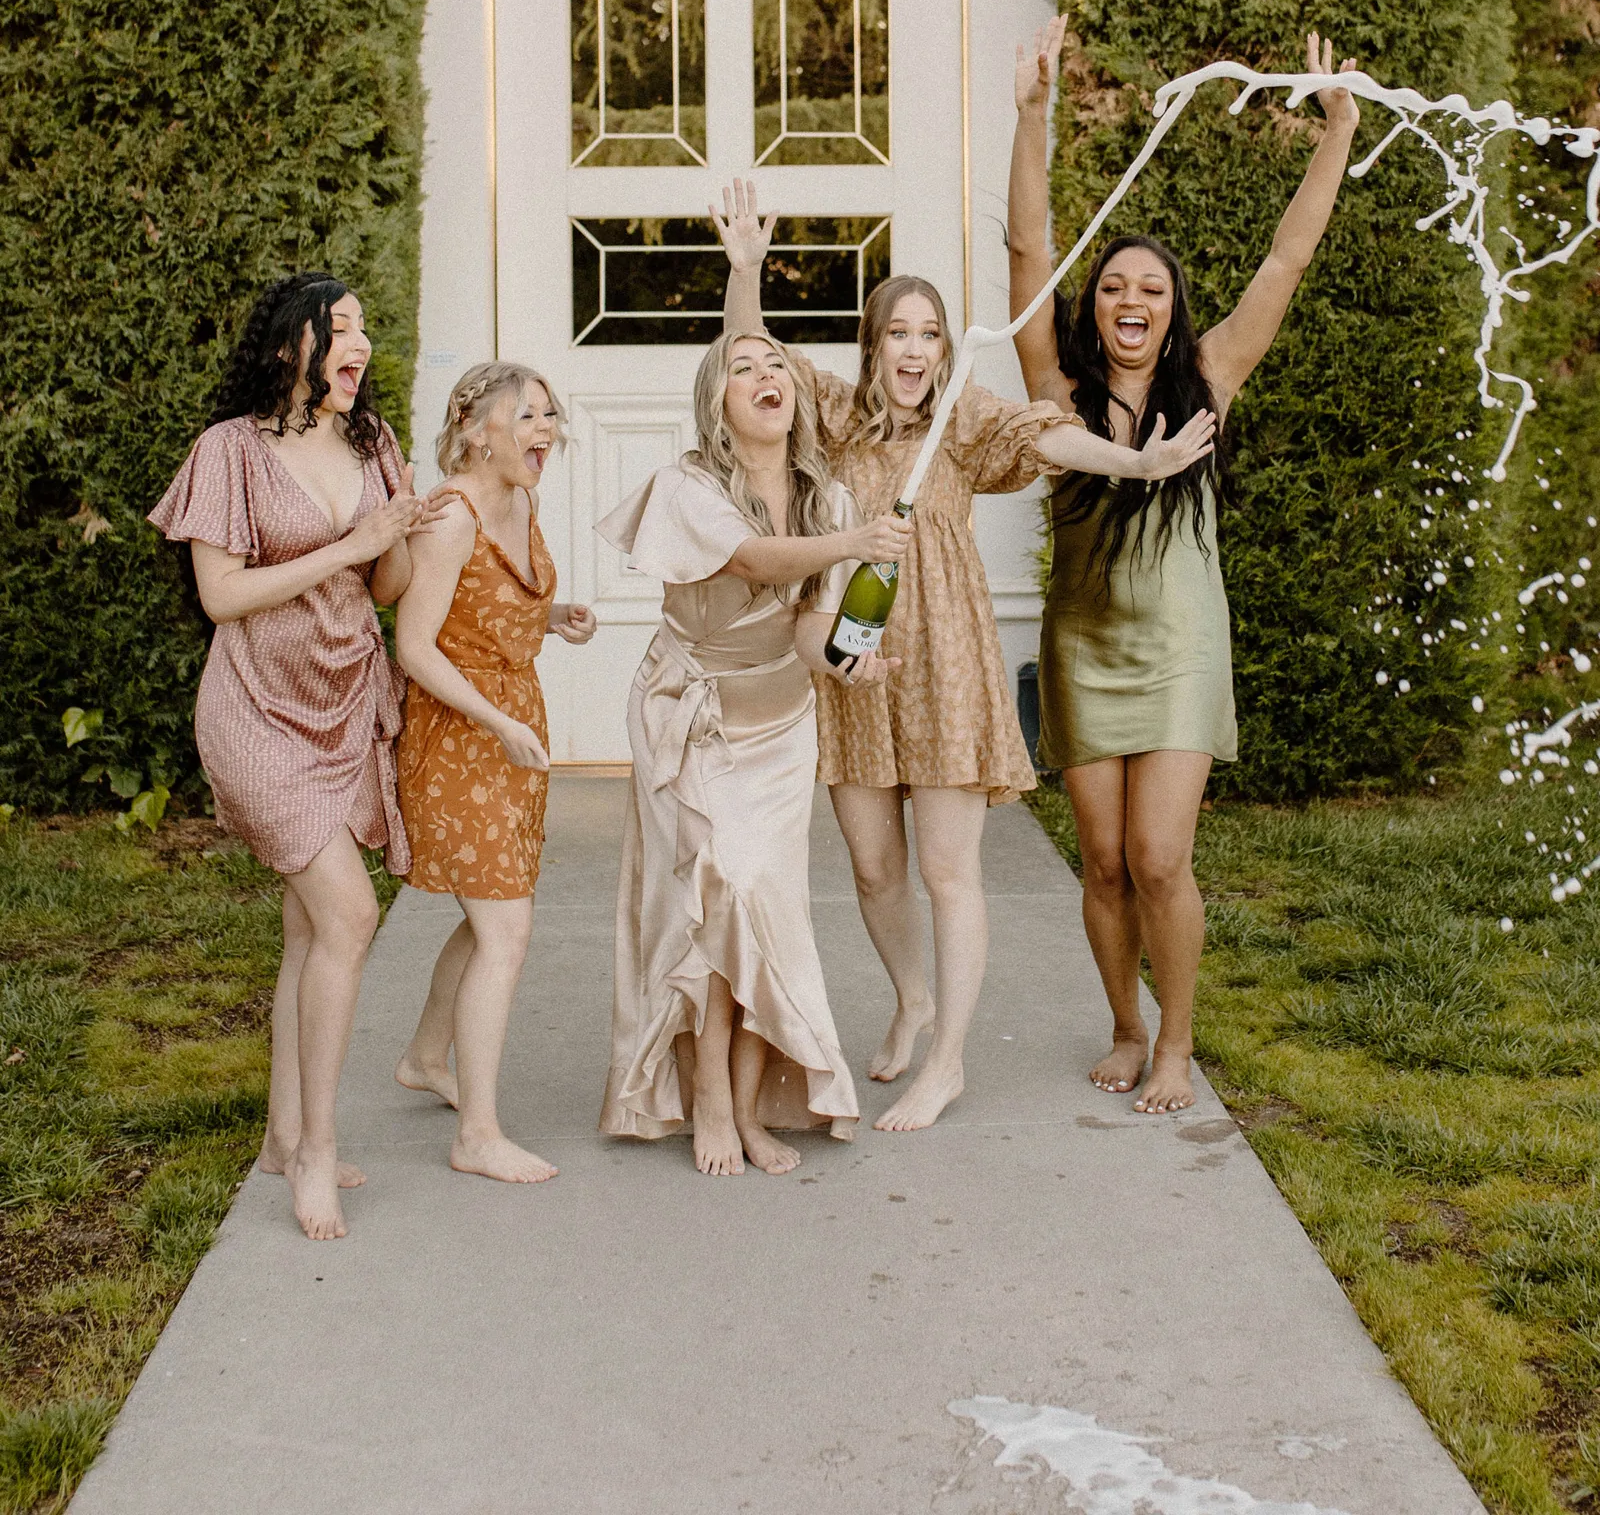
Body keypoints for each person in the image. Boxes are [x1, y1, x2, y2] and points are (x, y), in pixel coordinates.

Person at [717, 184, 1215, 1132]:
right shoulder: (834, 418)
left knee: (948, 872)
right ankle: (912, 996)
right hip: (857, 658)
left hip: (945, 659)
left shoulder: (965, 419)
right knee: (871, 866)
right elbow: (756, 361)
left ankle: (945, 1060)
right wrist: (747, 274)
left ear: (946, 350)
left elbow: (1051, 433)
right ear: (874, 347)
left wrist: (1141, 464)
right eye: (898, 334)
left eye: (930, 335)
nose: (914, 351)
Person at [1009, 20, 1359, 1114]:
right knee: (1102, 862)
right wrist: (1031, 117)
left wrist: (1334, 134)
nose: (1129, 300)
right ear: (1094, 303)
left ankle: (1175, 1042)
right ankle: (1122, 1022)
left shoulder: (1210, 376)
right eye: (1114, 285)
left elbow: (1285, 260)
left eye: (1150, 289)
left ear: (1172, 310)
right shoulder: (1056, 397)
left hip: (1178, 646)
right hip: (1082, 641)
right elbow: (1027, 258)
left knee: (1161, 858)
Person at [149, 272, 438, 1241]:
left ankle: (281, 1135)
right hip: (253, 709)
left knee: (310, 931)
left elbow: (386, 586)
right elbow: (223, 597)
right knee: (349, 915)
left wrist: (401, 536)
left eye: (366, 327)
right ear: (289, 348)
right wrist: (351, 541)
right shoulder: (229, 451)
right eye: (341, 327)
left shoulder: (374, 443)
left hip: (341, 696)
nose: (361, 343)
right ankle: (317, 1149)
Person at [598, 330, 906, 1178]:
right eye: (744, 368)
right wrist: (851, 548)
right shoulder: (688, 486)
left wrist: (850, 662)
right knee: (713, 898)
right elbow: (749, 559)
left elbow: (809, 629)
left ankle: (745, 1110)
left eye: (778, 364)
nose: (767, 375)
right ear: (718, 403)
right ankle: (705, 1105)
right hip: (688, 718)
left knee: (761, 910)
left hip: (778, 730)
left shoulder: (831, 503)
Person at [392, 361, 597, 1184]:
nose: (547, 430)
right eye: (530, 416)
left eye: (552, 416)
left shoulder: (523, 497)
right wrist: (498, 720)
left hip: (512, 727)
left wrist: (552, 616)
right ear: (476, 429)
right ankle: (476, 1134)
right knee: (507, 930)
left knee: (491, 916)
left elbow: (491, 604)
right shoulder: (450, 517)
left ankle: (423, 1055)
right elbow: (414, 644)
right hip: (460, 736)